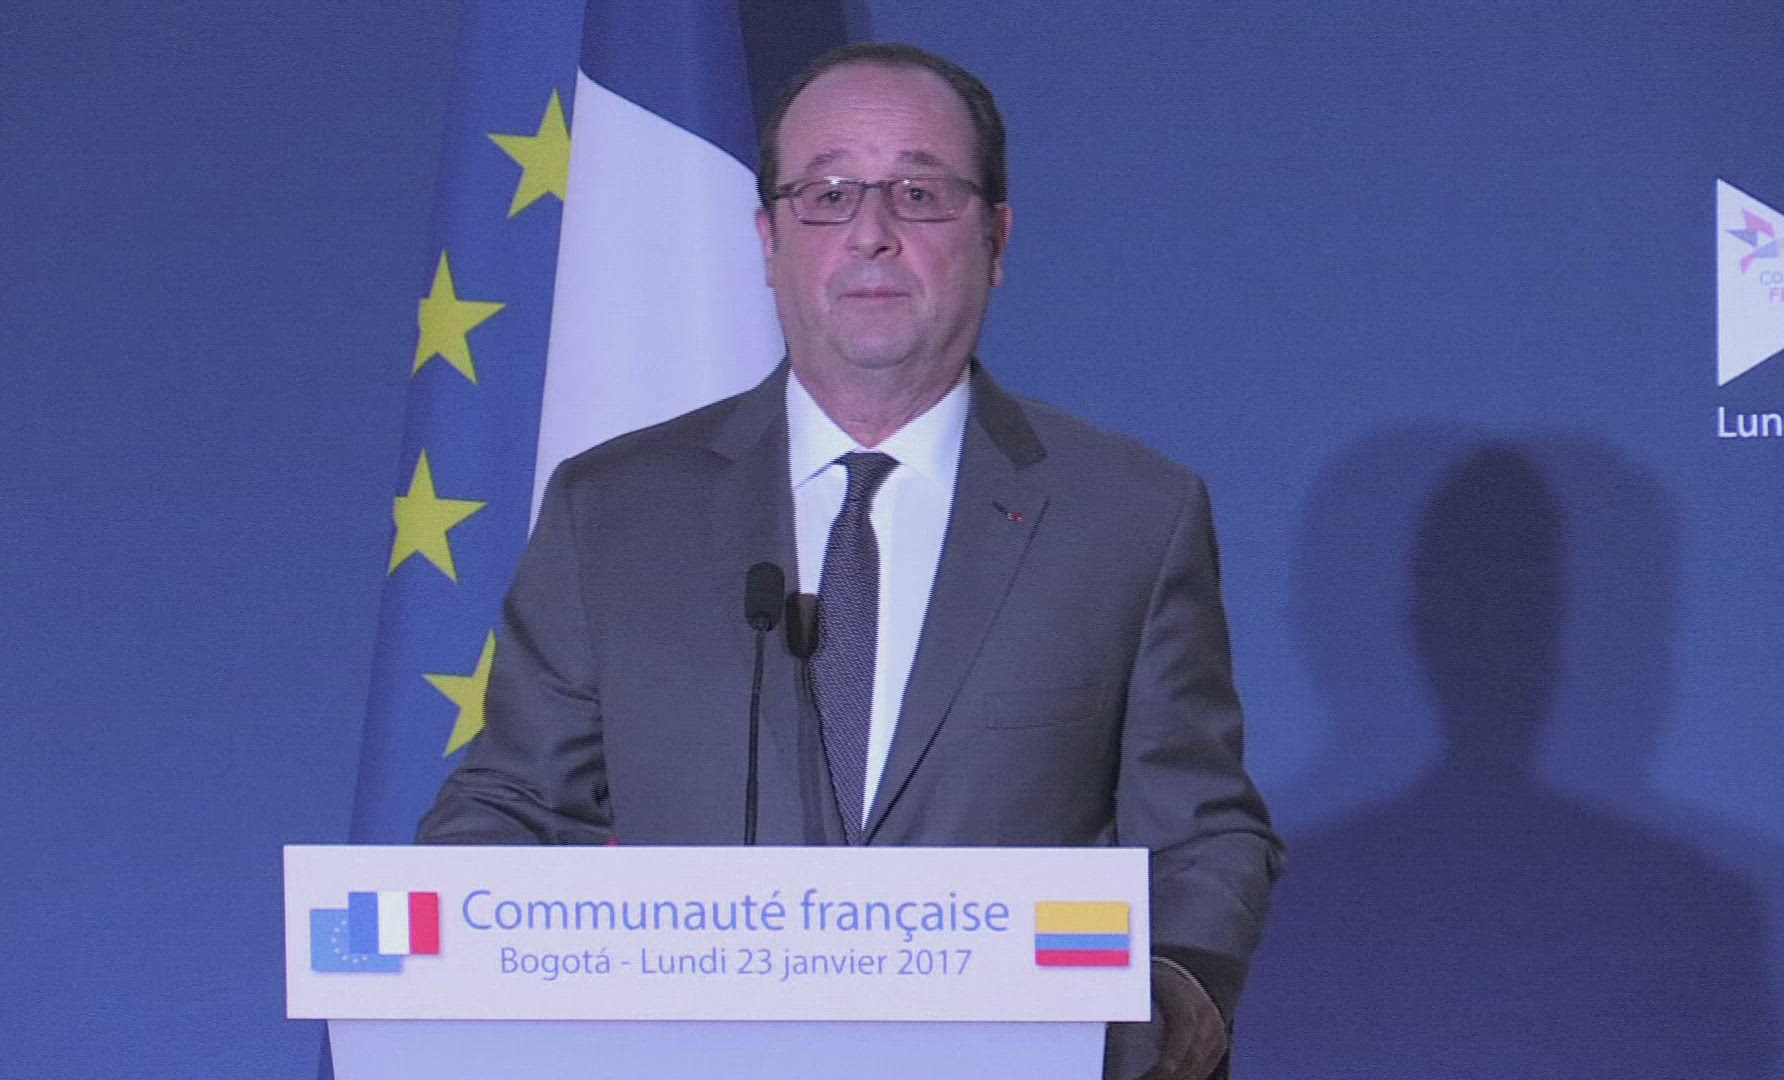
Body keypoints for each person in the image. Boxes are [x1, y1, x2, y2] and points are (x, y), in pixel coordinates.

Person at [418, 42, 1281, 1080]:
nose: (872, 233)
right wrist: (457, 966)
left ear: (997, 239)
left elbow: (1201, 836)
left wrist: (1161, 1009)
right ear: (768, 240)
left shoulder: (1128, 516)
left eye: (920, 193)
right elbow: (514, 809)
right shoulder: (613, 513)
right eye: (827, 196)